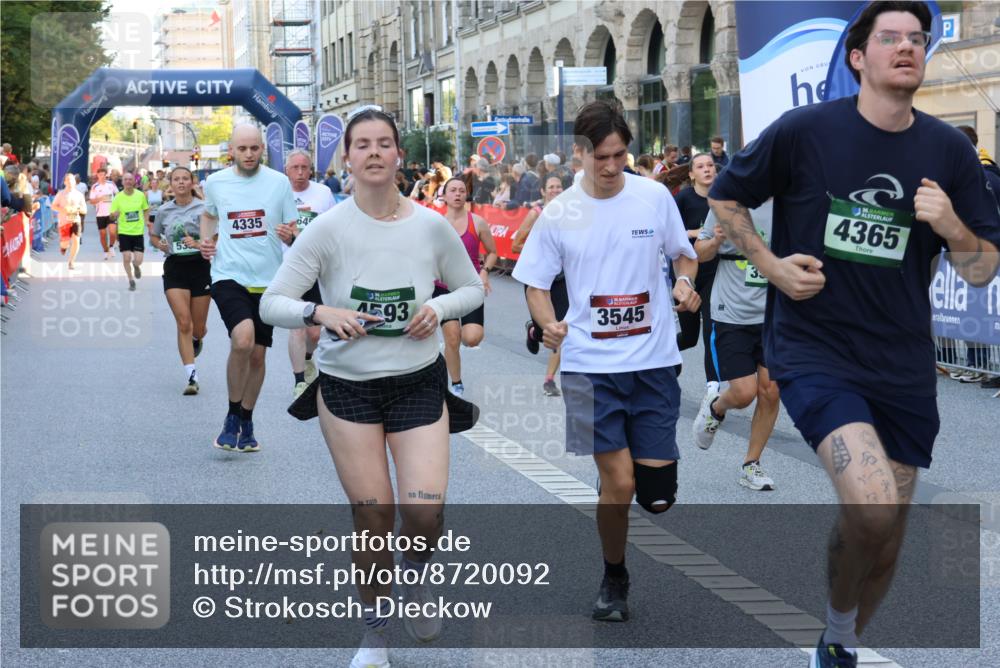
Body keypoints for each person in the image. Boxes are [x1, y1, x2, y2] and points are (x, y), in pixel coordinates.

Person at [706, 3, 1000, 666]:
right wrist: (771, 265)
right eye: (890, 38)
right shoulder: (805, 131)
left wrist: (953, 226)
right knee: (870, 510)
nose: (906, 47)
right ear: (857, 58)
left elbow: (981, 270)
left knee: (888, 535)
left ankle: (837, 642)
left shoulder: (948, 150)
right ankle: (837, 633)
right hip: (817, 353)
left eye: (917, 39)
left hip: (901, 364)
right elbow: (727, 197)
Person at [259, 107, 484, 668]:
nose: (375, 152)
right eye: (363, 145)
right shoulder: (326, 229)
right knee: (374, 515)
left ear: (399, 156)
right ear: (348, 158)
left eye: (385, 142)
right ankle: (375, 634)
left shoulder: (430, 224)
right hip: (348, 387)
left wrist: (437, 306)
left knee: (425, 513)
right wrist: (321, 310)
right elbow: (272, 303)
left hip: (417, 382)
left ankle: (416, 577)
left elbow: (472, 288)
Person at [513, 100, 701, 623]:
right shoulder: (559, 213)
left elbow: (683, 253)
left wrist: (685, 281)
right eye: (602, 157)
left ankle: (620, 486)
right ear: (580, 153)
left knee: (657, 498)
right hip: (587, 363)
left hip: (653, 361)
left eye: (621, 155)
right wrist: (548, 322)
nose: (614, 166)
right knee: (619, 483)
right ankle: (614, 574)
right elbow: (533, 282)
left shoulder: (654, 197)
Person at [199, 124, 299, 452]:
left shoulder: (278, 182)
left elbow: (292, 226)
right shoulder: (216, 182)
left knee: (258, 356)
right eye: (242, 149)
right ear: (232, 150)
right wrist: (205, 240)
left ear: (262, 149)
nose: (249, 154)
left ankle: (246, 417)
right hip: (229, 275)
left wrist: (289, 235)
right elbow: (209, 215)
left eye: (254, 148)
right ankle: (230, 415)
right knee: (243, 340)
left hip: (268, 280)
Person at [694, 200, 780, 490]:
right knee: (744, 393)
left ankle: (751, 464)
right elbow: (700, 253)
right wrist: (717, 240)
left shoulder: (790, 198)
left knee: (771, 389)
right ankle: (716, 407)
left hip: (774, 314)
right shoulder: (726, 202)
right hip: (731, 311)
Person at [150, 167, 212, 395]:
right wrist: (160, 245)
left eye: (185, 178)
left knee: (199, 327)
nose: (181, 182)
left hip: (200, 267)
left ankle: (197, 338)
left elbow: (215, 235)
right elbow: (155, 236)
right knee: (183, 322)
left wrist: (200, 243)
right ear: (171, 184)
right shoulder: (164, 210)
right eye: (177, 179)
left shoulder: (204, 208)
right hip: (175, 267)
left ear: (193, 182)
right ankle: (192, 377)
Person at [435, 177, 498, 397]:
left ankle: (459, 331)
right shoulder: (435, 223)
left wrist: (484, 271)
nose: (458, 194)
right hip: (443, 287)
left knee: (472, 338)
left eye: (462, 190)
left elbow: (492, 252)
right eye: (453, 190)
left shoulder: (477, 222)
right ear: (444, 195)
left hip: (470, 286)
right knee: (451, 337)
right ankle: (456, 383)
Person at [283, 148, 336, 398]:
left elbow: (335, 229)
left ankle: (307, 357)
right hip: (288, 269)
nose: (301, 173)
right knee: (297, 325)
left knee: (314, 331)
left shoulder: (323, 193)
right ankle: (299, 381)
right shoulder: (277, 193)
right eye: (295, 168)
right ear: (287, 170)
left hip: (316, 269)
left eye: (305, 167)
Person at [512, 173, 569, 396]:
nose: (555, 190)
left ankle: (549, 380)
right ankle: (533, 331)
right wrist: (540, 252)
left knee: (560, 329)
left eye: (559, 186)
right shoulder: (536, 214)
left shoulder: (570, 215)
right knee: (545, 329)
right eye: (551, 187)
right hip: (537, 281)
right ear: (543, 192)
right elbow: (516, 244)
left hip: (562, 280)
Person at [674, 154, 721, 394]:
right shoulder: (684, 198)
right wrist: (693, 233)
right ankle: (665, 357)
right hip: (687, 275)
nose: (707, 170)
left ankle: (712, 388)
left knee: (710, 330)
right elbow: (669, 233)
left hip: (714, 273)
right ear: (691, 174)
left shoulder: (722, 198)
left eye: (710, 165)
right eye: (700, 166)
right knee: (690, 337)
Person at [109, 173, 149, 291]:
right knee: (126, 257)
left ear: (134, 182)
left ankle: (136, 266)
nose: (128, 181)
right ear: (122, 182)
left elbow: (146, 209)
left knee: (138, 260)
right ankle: (131, 280)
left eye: (130, 179)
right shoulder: (118, 197)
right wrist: (113, 215)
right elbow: (111, 216)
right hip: (124, 232)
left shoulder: (140, 195)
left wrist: (146, 221)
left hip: (137, 232)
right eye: (125, 179)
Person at [51, 173, 87, 270]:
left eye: (72, 180)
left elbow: (84, 210)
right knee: (65, 243)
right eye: (68, 180)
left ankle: (71, 261)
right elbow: (53, 206)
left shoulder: (79, 195)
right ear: (65, 182)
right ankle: (63, 247)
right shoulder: (61, 194)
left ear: (75, 182)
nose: (70, 182)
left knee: (76, 241)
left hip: (76, 220)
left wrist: (77, 209)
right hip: (64, 221)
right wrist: (63, 210)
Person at [89, 167, 119, 260]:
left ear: (106, 175)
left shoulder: (111, 184)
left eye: (104, 175)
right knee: (102, 234)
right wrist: (100, 198)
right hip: (100, 214)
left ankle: (111, 247)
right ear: (97, 175)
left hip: (111, 213)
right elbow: (92, 201)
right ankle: (106, 251)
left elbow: (118, 195)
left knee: (113, 231)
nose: (102, 176)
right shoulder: (95, 187)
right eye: (100, 175)